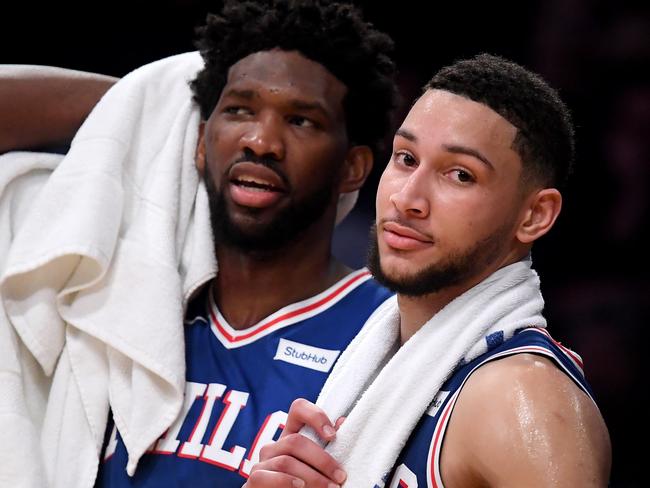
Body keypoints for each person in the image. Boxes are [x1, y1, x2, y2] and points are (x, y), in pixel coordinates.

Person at [0, 1, 398, 487]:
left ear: (353, 167)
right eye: (239, 110)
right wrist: (141, 101)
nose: (260, 140)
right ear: (201, 142)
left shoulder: (390, 332)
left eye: (301, 121)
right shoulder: (118, 312)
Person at [243, 54, 612, 487]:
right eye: (405, 158)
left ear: (534, 215)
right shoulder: (369, 354)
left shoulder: (521, 398)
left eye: (459, 174)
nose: (408, 198)